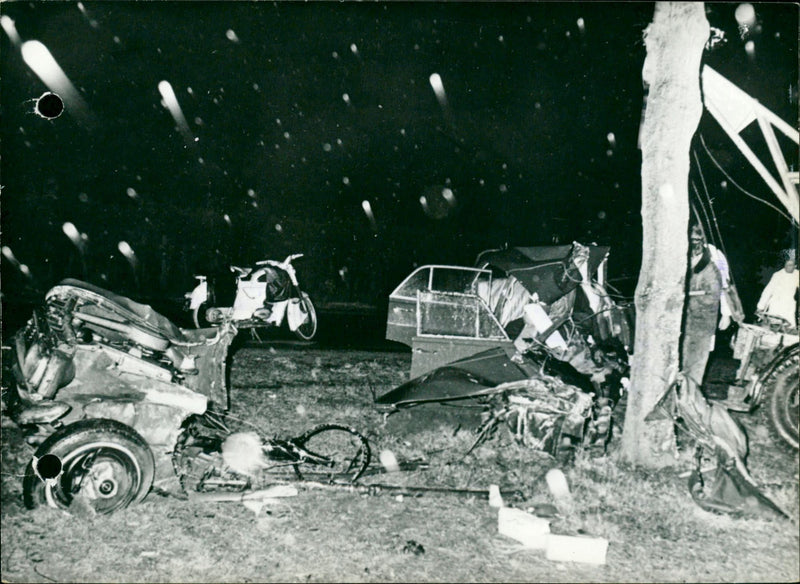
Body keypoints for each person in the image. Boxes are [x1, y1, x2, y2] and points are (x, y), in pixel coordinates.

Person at [681, 225, 724, 386]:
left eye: (696, 241)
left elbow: (713, 296)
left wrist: (690, 296)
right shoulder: (688, 265)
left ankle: (692, 396)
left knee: (696, 362)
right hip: (688, 322)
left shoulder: (710, 269)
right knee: (684, 359)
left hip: (703, 323)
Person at [756, 249, 799, 328]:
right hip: (775, 308)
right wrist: (760, 307)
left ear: (795, 266)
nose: (787, 267)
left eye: (790, 265)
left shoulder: (797, 274)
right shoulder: (777, 275)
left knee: (790, 332)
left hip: (789, 309)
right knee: (772, 331)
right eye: (786, 265)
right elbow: (767, 291)